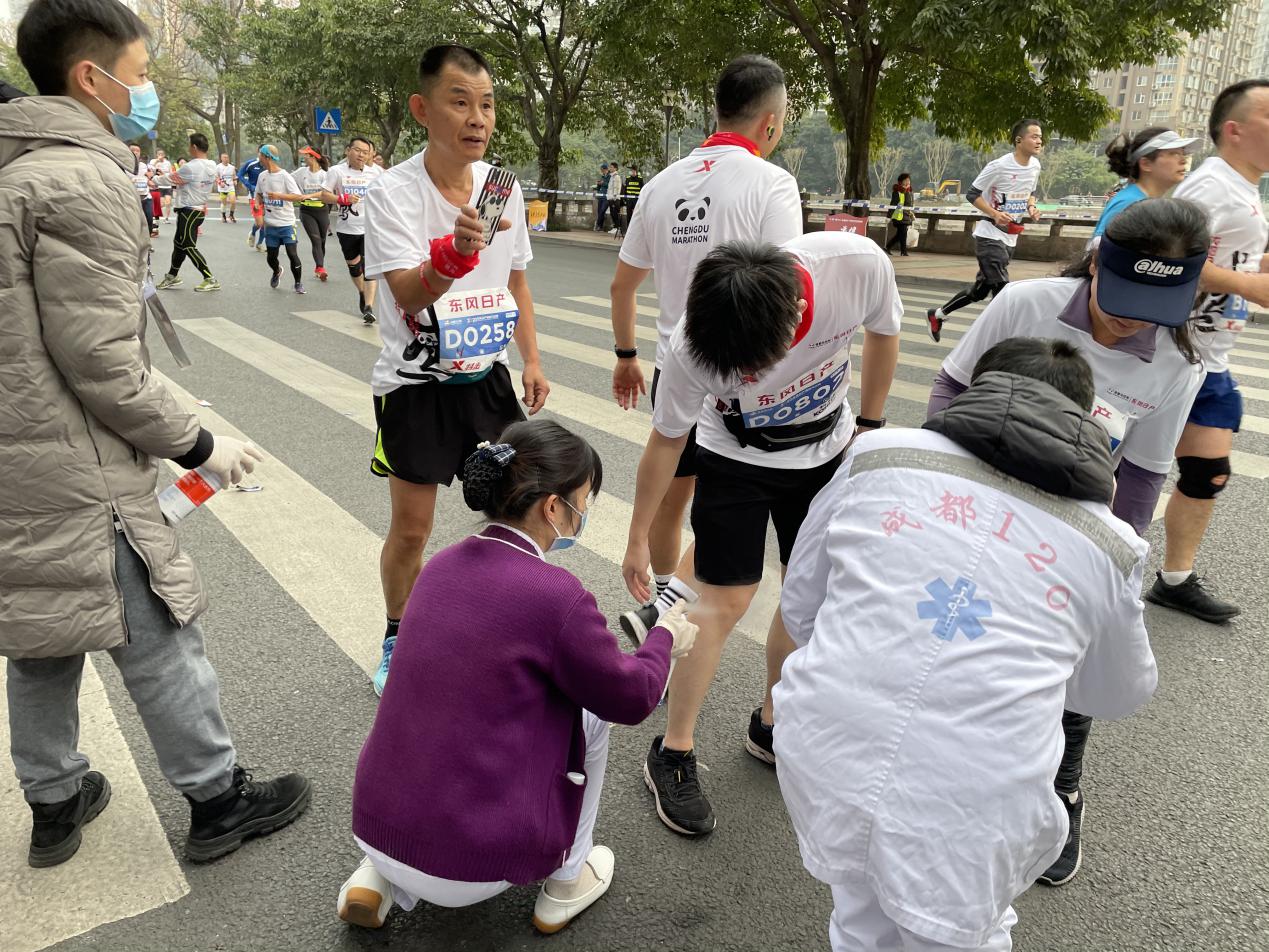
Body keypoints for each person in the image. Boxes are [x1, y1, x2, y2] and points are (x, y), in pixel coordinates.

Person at [2, 0, 311, 870]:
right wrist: (200, 442)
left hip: (12, 455)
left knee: (41, 633)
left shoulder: (11, 171)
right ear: (90, 78)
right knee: (160, 633)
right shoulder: (77, 178)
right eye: (139, 76)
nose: (146, 94)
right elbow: (99, 360)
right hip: (80, 463)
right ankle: (217, 800)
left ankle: (55, 801)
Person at [776, 336, 1158, 952]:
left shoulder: (877, 454)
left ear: (980, 391)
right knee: (958, 935)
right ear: (1085, 420)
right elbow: (1117, 691)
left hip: (828, 746)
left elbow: (801, 606)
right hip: (974, 800)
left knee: (858, 912)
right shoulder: (1111, 543)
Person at [927, 197, 1208, 887]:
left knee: (1068, 673)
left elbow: (1141, 476)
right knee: (964, 641)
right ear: (1095, 261)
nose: (1131, 317)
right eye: (1121, 294)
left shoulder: (1176, 366)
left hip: (1068, 532)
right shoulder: (1024, 304)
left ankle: (1062, 790)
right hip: (980, 512)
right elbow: (948, 392)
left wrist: (1110, 563)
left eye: (1154, 303)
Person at [338, 420, 697, 932]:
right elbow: (632, 696)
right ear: (554, 507)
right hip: (471, 868)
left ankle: (380, 876)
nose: (586, 512)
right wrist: (665, 639)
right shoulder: (557, 595)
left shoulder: (439, 565)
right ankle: (568, 878)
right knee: (592, 716)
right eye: (585, 500)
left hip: (375, 826)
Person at [622, 234, 901, 835]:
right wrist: (638, 534)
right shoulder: (693, 344)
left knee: (810, 596)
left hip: (827, 451)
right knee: (721, 602)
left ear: (799, 317)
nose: (745, 379)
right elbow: (668, 440)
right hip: (735, 460)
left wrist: (871, 426)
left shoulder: (856, 267)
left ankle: (772, 722)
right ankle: (673, 750)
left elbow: (884, 332)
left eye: (753, 368)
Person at [363, 44, 550, 696]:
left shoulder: (502, 188)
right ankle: (396, 635)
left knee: (521, 506)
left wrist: (530, 358)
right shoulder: (390, 193)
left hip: (487, 381)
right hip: (415, 387)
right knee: (412, 530)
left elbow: (517, 282)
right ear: (423, 109)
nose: (477, 118)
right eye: (460, 102)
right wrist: (451, 253)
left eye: (487, 105)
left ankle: (499, 628)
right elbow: (407, 293)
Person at [610, 53, 803, 646]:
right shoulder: (772, 183)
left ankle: (658, 604)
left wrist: (626, 356)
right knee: (728, 513)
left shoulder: (663, 183)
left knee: (675, 495)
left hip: (677, 366)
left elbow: (624, 283)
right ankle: (672, 618)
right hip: (742, 380)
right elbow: (789, 288)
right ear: (769, 123)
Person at [1150, 79, 1269, 624]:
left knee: (1208, 473)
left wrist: (1252, 281)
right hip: (1168, 352)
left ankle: (1174, 579)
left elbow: (1227, 266)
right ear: (1235, 129)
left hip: (1211, 356)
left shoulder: (1246, 189)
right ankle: (1090, 566)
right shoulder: (1211, 187)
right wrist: (1247, 286)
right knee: (1122, 469)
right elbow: (1161, 260)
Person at [926, 119, 1043, 341]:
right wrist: (994, 214)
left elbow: (1031, 190)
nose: (1039, 141)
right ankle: (1003, 339)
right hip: (989, 236)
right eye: (1034, 136)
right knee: (1002, 289)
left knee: (980, 291)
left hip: (1010, 237)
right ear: (1019, 140)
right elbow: (972, 194)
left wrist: (1031, 206)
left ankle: (938, 315)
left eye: (1040, 137)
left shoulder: (1035, 166)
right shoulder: (999, 166)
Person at [321, 136, 384, 323]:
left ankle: (369, 306)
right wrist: (342, 199)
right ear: (348, 150)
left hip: (370, 228)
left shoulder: (377, 173)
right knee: (355, 268)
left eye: (365, 152)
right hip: (347, 228)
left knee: (370, 268)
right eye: (358, 150)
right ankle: (362, 292)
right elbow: (324, 195)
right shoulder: (336, 171)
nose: (361, 155)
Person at [1091, 128, 1198, 238]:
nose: (1183, 160)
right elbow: (1099, 249)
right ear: (1145, 164)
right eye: (1174, 154)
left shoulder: (1147, 202)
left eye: (1183, 154)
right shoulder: (1129, 203)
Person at [154, 131, 219, 292]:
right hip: (197, 210)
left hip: (189, 211)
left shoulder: (190, 167)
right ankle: (172, 276)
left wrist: (153, 179)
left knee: (188, 245)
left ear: (194, 147)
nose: (188, 148)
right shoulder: (211, 165)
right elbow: (179, 177)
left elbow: (170, 179)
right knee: (179, 245)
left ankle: (209, 278)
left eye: (190, 145)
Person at [255, 143, 316, 294]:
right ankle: (276, 271)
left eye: (260, 155)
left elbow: (298, 196)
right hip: (271, 224)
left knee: (292, 253)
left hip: (287, 224)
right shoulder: (262, 176)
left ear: (266, 157)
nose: (259, 158)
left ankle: (298, 283)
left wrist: (279, 195)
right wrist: (257, 204)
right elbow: (258, 194)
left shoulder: (284, 176)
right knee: (271, 257)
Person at [294, 145, 331, 283]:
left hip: (322, 210)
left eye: (307, 156)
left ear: (314, 157)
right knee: (315, 239)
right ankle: (321, 268)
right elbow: (287, 180)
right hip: (306, 211)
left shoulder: (325, 175)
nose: (304, 158)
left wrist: (308, 196)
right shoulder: (300, 172)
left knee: (322, 241)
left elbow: (325, 193)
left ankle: (318, 267)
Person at [237, 151, 265, 251]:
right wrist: (249, 186)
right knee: (260, 223)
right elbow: (239, 174)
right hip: (254, 196)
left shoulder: (268, 165)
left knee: (265, 223)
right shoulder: (251, 163)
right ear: (258, 153)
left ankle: (260, 244)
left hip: (266, 197)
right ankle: (253, 233)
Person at [128, 141, 155, 236]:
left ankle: (148, 241)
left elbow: (147, 179)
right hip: (131, 198)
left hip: (145, 197)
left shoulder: (144, 166)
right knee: (133, 222)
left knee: (149, 218)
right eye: (133, 150)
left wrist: (152, 182)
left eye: (137, 151)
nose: (135, 152)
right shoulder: (123, 166)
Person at [884, 172, 914, 256]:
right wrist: (889, 216)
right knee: (903, 233)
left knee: (900, 234)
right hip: (898, 216)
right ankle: (903, 251)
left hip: (907, 216)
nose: (908, 182)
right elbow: (893, 204)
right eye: (906, 180)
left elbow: (911, 205)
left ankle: (888, 247)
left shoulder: (910, 191)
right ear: (900, 181)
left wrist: (912, 213)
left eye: (909, 180)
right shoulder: (897, 191)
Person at [148, 145, 172, 221]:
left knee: (168, 202)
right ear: (156, 155)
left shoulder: (167, 163)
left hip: (167, 185)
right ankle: (153, 213)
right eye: (159, 154)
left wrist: (164, 174)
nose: (160, 156)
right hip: (158, 186)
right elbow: (150, 169)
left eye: (162, 154)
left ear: (164, 155)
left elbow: (170, 173)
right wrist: (157, 161)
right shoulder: (153, 161)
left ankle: (166, 218)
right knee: (161, 204)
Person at [620, 162, 643, 236]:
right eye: (631, 171)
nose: (631, 172)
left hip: (636, 199)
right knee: (629, 214)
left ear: (636, 171)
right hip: (629, 199)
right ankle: (629, 230)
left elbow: (642, 189)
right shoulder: (628, 179)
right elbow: (625, 189)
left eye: (633, 171)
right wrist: (625, 199)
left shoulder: (640, 179)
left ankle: (636, 230)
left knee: (636, 215)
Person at [214, 150, 237, 223]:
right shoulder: (218, 167)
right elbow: (216, 177)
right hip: (222, 188)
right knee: (224, 203)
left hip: (230, 187)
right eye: (224, 157)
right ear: (221, 158)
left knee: (233, 201)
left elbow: (234, 176)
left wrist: (235, 181)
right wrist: (220, 183)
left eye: (227, 157)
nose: (226, 159)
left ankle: (231, 215)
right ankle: (223, 216)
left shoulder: (232, 167)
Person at [605, 160, 623, 234]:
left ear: (615, 168)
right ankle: (615, 227)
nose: (610, 168)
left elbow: (617, 188)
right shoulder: (611, 177)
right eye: (610, 167)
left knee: (615, 214)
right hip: (610, 198)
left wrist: (615, 198)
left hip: (614, 199)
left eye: (611, 167)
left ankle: (617, 228)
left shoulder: (617, 177)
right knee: (612, 213)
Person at [593, 163, 610, 231]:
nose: (602, 171)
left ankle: (598, 224)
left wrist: (603, 183)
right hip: (600, 196)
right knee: (599, 211)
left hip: (606, 196)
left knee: (602, 211)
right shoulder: (602, 176)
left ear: (606, 169)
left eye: (603, 170)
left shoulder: (610, 177)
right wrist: (598, 184)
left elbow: (609, 185)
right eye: (601, 170)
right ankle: (600, 226)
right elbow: (599, 187)